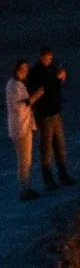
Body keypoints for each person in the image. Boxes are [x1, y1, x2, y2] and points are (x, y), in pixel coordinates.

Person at [29, 48, 68, 190]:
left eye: (50, 58)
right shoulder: (35, 72)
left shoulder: (51, 68)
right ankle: (48, 180)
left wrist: (61, 78)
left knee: (60, 145)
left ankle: (63, 175)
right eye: (47, 58)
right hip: (44, 114)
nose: (49, 60)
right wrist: (54, 79)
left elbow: (55, 86)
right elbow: (40, 88)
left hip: (55, 111)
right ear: (41, 57)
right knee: (46, 148)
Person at [4, 62, 30, 200]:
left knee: (26, 160)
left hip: (24, 125)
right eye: (23, 69)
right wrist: (34, 98)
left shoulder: (19, 84)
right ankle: (23, 190)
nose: (25, 72)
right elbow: (19, 106)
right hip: (19, 127)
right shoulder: (13, 85)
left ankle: (26, 187)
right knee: (23, 160)